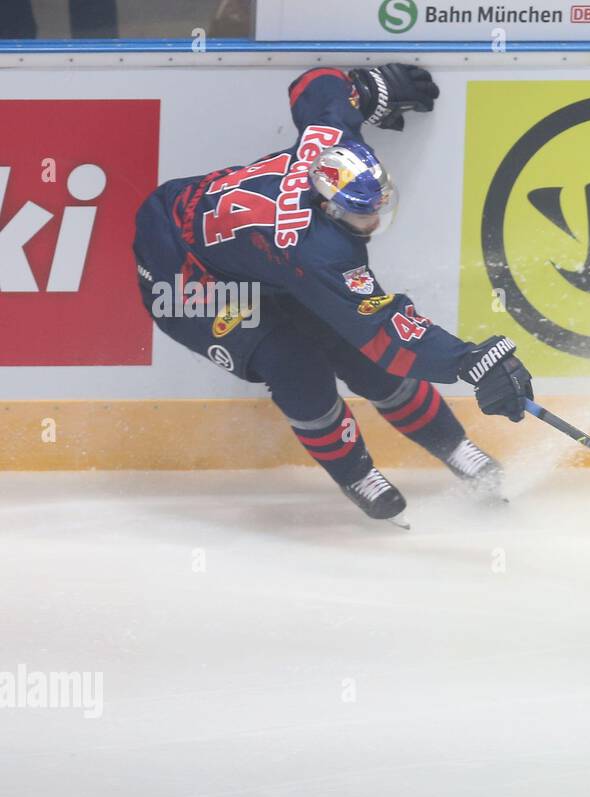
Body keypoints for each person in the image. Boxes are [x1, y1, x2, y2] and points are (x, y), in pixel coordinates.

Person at [133, 64, 532, 524]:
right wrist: (468, 361)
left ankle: (456, 447)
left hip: (256, 257)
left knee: (357, 353)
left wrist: (364, 88)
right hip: (180, 273)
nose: (375, 221)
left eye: (380, 202)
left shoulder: (333, 146)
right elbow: (386, 331)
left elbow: (315, 85)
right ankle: (355, 473)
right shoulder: (319, 252)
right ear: (327, 207)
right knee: (293, 364)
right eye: (363, 215)